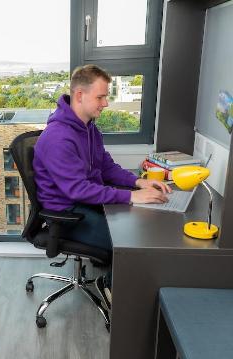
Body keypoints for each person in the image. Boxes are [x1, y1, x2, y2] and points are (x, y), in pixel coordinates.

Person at [33, 64, 171, 309]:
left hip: (86, 203)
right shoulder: (58, 138)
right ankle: (110, 286)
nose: (105, 103)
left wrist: (139, 182)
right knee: (130, 242)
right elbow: (78, 190)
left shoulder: (89, 129)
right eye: (101, 96)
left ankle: (116, 282)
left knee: (140, 221)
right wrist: (131, 197)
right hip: (68, 215)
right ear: (79, 96)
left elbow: (105, 167)